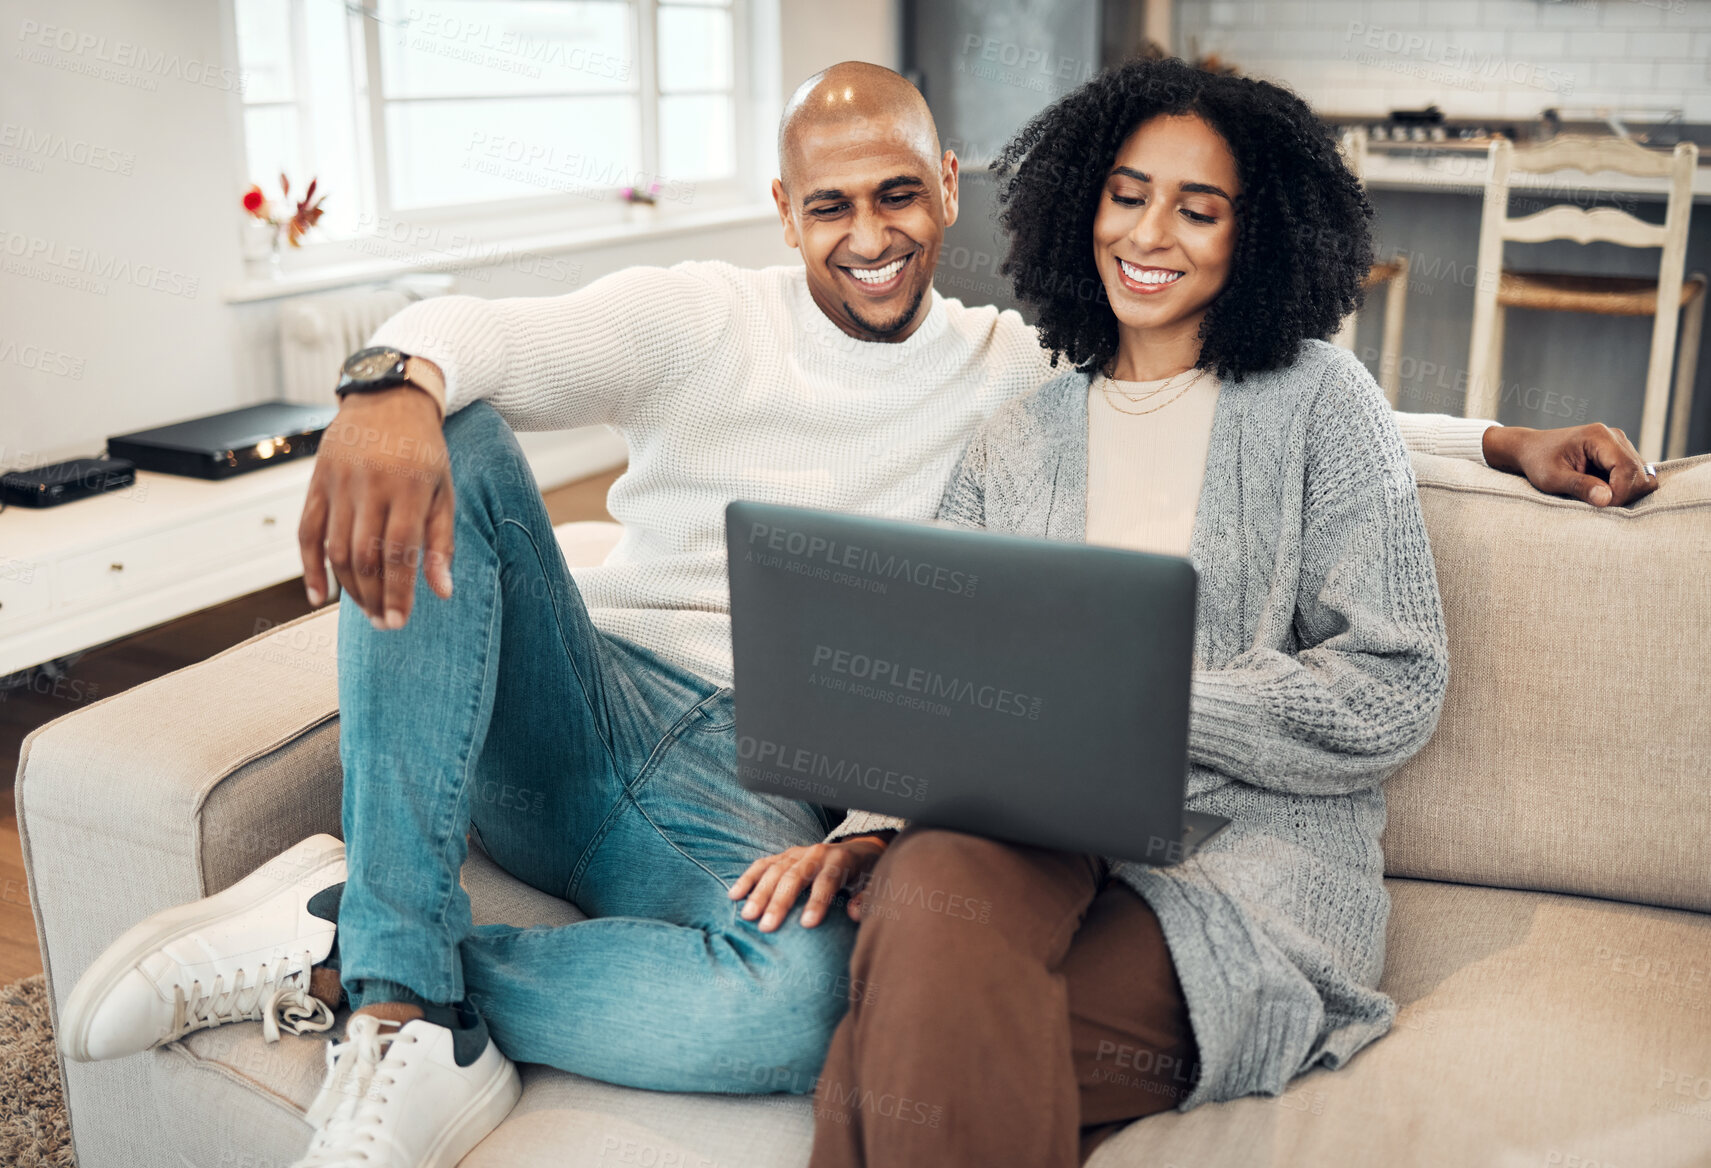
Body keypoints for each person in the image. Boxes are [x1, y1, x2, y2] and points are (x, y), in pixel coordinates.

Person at [59, 61, 1658, 1168]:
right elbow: (499, 337)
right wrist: (389, 377)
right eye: (829, 208)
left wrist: (1499, 441)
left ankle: (357, 951)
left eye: (898, 196)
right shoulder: (867, 370)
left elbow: (1340, 534)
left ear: (949, 190)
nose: (870, 234)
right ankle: (400, 981)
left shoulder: (1117, 382)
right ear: (781, 210)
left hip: (950, 822)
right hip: (633, 714)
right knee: (458, 436)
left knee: (821, 996)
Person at [725, 57, 1475, 1167]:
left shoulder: (1324, 402)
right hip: (1030, 828)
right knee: (927, 880)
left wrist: (1138, 709)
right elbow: (927, 671)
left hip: (1246, 861)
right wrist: (872, 823)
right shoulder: (1017, 435)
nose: (1150, 233)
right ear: (1084, 203)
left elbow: (1394, 683)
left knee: (877, 1064)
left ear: (1255, 232)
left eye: (1198, 207)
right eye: (1127, 194)